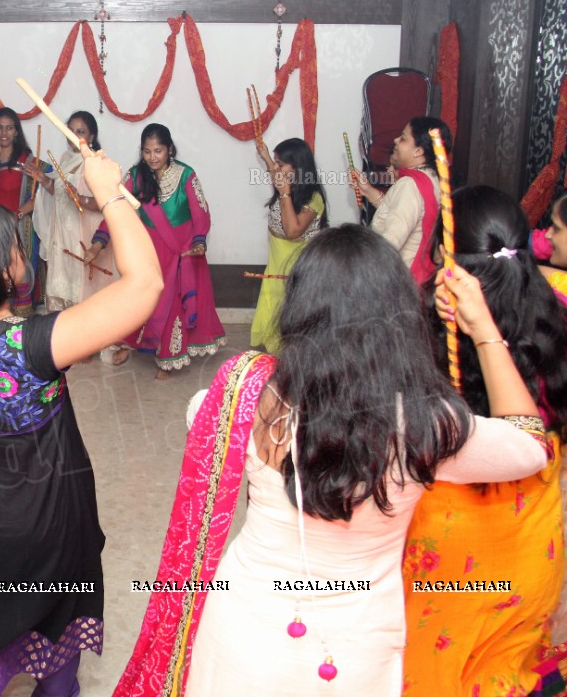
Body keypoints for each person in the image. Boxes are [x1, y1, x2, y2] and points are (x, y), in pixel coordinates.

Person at [115, 224, 553, 696]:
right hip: (354, 651)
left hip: (244, 632)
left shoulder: (246, 396)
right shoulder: (430, 423)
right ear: (401, 315)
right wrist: (484, 329)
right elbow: (530, 444)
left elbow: (197, 411)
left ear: (299, 312)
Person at [0, 151, 163, 697]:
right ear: (5, 271)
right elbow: (144, 288)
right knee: (54, 621)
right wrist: (109, 192)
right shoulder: (35, 343)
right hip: (43, 520)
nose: (24, 252)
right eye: (17, 245)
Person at [403, 186, 567, 694]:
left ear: (442, 261)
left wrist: (480, 332)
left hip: (450, 552)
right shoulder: (555, 309)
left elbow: (518, 439)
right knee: (501, 671)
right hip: (531, 542)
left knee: (435, 672)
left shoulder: (426, 327)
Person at [86, 123, 224, 379]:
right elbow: (115, 209)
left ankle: (168, 358)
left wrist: (199, 241)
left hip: (179, 252)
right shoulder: (135, 176)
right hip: (145, 251)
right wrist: (98, 243)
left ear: (170, 149)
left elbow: (201, 212)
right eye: (147, 151)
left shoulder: (186, 175)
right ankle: (131, 345)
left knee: (172, 305)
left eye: (158, 151)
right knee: (140, 300)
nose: (152, 157)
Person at [249, 138, 328, 353]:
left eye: (281, 164)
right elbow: (275, 174)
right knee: (272, 314)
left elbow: (293, 231)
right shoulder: (287, 182)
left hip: (295, 269)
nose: (276, 169)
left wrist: (284, 192)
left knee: (289, 320)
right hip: (276, 263)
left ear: (297, 168)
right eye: (276, 162)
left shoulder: (313, 198)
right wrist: (265, 156)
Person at [352, 116, 450, 283]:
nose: (396, 140)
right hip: (425, 274)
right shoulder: (431, 179)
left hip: (403, 280)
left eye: (403, 138)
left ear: (418, 151)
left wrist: (358, 268)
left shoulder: (409, 185)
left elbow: (391, 242)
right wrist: (368, 190)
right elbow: (400, 213)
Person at [0, 107, 51, 315]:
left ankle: (20, 329)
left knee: (18, 279)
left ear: (17, 132)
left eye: (10, 128)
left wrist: (17, 214)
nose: (4, 133)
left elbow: (45, 194)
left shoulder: (27, 160)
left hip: (18, 229)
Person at [36, 110, 106, 311]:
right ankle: (62, 327)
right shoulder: (66, 158)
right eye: (71, 130)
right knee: (62, 277)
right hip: (62, 232)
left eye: (80, 131)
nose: (74, 136)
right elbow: (60, 194)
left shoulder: (94, 161)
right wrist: (44, 180)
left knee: (79, 279)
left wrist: (81, 198)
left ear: (91, 136)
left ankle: (83, 328)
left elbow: (103, 202)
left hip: (81, 231)